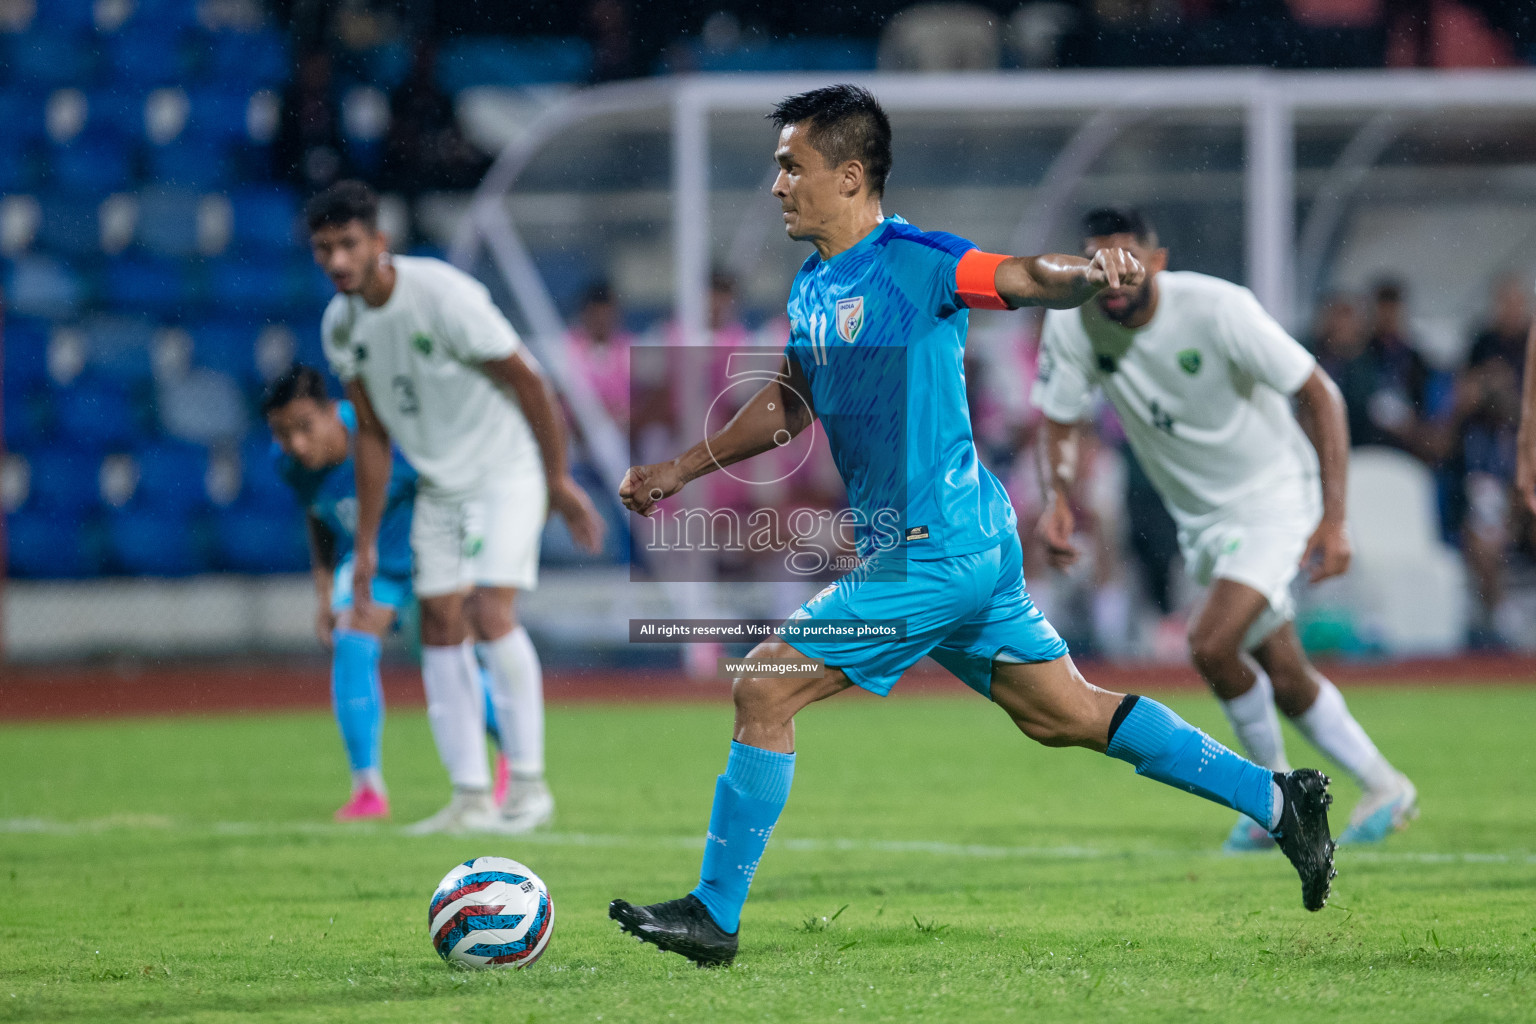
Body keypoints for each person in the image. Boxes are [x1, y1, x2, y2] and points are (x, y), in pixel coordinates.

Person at [607, 85, 1335, 968]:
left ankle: (713, 916)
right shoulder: (813, 284)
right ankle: (1278, 799)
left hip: (938, 546)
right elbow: (793, 401)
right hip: (958, 545)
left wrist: (1092, 273)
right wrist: (679, 471)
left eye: (791, 167)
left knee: (764, 687)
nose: (778, 186)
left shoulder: (916, 259)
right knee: (1063, 714)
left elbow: (1024, 276)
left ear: (847, 175)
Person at [1034, 207, 1417, 853]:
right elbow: (1060, 418)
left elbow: (1319, 392)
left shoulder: (1218, 309)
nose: (1114, 281)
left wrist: (1334, 517)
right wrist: (1058, 496)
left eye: (1128, 264)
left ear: (1157, 261)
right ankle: (1385, 785)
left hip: (1274, 499)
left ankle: (1274, 800)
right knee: (1285, 672)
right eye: (1100, 267)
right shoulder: (1073, 321)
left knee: (1211, 643)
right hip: (1203, 520)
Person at [308, 180, 606, 835]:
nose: (336, 261)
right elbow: (374, 434)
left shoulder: (442, 295)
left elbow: (528, 379)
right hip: (442, 486)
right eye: (324, 249)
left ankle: (528, 788)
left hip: (507, 472)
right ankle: (472, 796)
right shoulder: (341, 326)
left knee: (488, 610)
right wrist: (362, 546)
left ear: (379, 243)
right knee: (440, 624)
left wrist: (556, 479)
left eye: (348, 244)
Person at [263, 363, 513, 820]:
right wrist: (323, 594)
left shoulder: (387, 434)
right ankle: (368, 790)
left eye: (304, 428)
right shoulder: (290, 464)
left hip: (432, 560)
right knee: (351, 641)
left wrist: (469, 564)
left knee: (447, 661)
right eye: (283, 433)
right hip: (370, 567)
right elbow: (318, 518)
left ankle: (513, 757)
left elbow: (454, 486)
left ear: (332, 412)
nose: (295, 444)